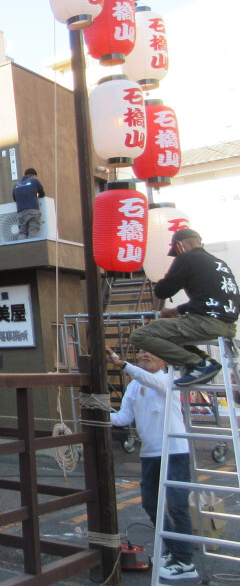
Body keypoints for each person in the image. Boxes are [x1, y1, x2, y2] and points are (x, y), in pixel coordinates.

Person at [106, 347, 198, 580]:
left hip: (175, 451)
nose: (145, 355)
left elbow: (149, 380)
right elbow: (123, 418)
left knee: (177, 506)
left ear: (164, 359)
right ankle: (173, 551)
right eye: (142, 351)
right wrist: (98, 411)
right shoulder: (134, 385)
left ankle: (185, 562)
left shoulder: (169, 379)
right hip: (149, 454)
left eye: (152, 352)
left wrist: (122, 364)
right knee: (151, 504)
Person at [130, 228, 238, 386]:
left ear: (179, 246)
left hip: (206, 323)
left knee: (140, 336)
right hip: (228, 326)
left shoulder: (187, 259)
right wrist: (176, 310)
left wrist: (163, 277)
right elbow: (209, 299)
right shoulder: (219, 264)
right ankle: (205, 360)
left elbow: (163, 291)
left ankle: (198, 364)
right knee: (167, 331)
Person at [12, 168, 45, 240]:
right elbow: (42, 194)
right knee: (33, 231)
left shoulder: (16, 185)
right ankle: (32, 250)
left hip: (20, 213)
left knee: (22, 232)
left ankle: (22, 250)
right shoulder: (34, 181)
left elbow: (15, 199)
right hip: (33, 211)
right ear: (34, 175)